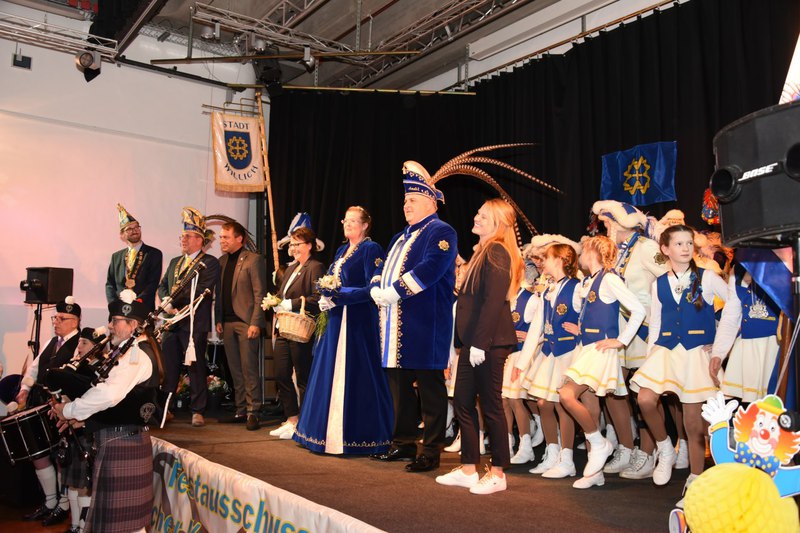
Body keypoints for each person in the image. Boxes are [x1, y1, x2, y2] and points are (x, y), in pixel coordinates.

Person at [630, 225, 741, 506]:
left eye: (689, 243)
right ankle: (665, 447)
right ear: (665, 249)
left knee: (693, 422)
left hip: (695, 354)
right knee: (645, 399)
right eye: (678, 243)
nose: (685, 248)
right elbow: (656, 322)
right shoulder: (658, 284)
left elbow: (735, 306)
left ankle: (696, 477)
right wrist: (652, 355)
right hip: (666, 351)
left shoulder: (708, 277)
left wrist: (719, 343)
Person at [370, 161, 457, 473]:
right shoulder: (399, 236)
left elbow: (431, 269)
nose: (406, 205)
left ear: (430, 203)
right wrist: (375, 286)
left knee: (430, 389)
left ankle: (431, 450)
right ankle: (404, 442)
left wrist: (394, 292)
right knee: (400, 387)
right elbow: (382, 267)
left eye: (413, 200)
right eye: (405, 200)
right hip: (396, 325)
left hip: (426, 324)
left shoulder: (441, 231)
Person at [52, 291, 161, 533]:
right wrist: (84, 419)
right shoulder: (128, 353)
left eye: (115, 321)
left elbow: (108, 395)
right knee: (124, 526)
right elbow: (118, 403)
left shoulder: (136, 355)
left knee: (128, 527)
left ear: (133, 325)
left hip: (124, 441)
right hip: (119, 438)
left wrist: (69, 410)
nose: (110, 326)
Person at [435, 198, 522, 494]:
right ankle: (469, 469)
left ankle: (498, 473)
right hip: (474, 341)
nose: (476, 217)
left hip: (489, 342)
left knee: (491, 405)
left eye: (483, 215)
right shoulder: (483, 251)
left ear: (497, 223)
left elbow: (493, 301)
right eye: (478, 212)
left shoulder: (497, 250)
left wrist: (481, 344)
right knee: (462, 401)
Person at [293, 206, 394, 454]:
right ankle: (323, 434)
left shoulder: (371, 249)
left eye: (353, 221)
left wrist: (340, 297)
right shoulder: (341, 250)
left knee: (357, 373)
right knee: (328, 370)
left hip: (358, 320)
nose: (347, 224)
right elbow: (329, 280)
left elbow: (373, 287)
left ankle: (356, 436)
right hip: (337, 318)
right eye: (345, 220)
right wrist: (325, 295)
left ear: (365, 225)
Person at [558, 235, 645, 489]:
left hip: (600, 351)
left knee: (566, 395)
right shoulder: (590, 281)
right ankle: (595, 473)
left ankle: (599, 443)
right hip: (587, 348)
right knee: (591, 410)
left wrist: (621, 340)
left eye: (583, 251)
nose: (580, 256)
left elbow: (638, 310)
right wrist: (581, 329)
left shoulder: (609, 279)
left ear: (593, 252)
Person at [591, 200, 669, 479]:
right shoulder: (614, 252)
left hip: (646, 330)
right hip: (620, 330)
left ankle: (648, 452)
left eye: (607, 223)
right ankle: (626, 447)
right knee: (612, 388)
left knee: (643, 392)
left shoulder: (646, 247)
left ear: (621, 223)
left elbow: (670, 281)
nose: (605, 228)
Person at [16, 296, 82, 526]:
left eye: (62, 318)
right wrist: (24, 389)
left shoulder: (80, 344)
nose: (56, 322)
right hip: (41, 404)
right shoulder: (50, 342)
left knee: (62, 456)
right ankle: (50, 501)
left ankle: (63, 505)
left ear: (75, 321)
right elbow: (34, 368)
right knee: (39, 454)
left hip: (63, 408)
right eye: (55, 318)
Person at [518, 242, 582, 478]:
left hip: (568, 352)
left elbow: (591, 314)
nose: (542, 262)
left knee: (562, 405)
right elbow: (536, 328)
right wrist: (521, 363)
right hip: (549, 352)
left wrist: (581, 330)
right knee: (543, 403)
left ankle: (567, 459)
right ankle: (552, 452)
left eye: (547, 257)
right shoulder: (548, 290)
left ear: (560, 260)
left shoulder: (577, 287)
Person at [158, 207, 220, 428]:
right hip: (172, 322)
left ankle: (197, 410)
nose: (183, 240)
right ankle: (166, 407)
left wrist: (174, 303)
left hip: (194, 323)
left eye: (188, 236)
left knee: (195, 367)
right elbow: (163, 285)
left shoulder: (210, 262)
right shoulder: (175, 261)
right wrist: (166, 302)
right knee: (169, 366)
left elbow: (202, 290)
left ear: (199, 240)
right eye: (182, 236)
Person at [266, 226, 325, 440]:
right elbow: (282, 295)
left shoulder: (315, 267)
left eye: (297, 244)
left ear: (309, 245)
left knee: (303, 377)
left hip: (301, 329)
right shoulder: (290, 269)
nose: (293, 248)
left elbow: (317, 298)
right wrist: (275, 302)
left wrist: (290, 304)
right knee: (281, 374)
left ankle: (307, 423)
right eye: (291, 244)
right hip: (284, 328)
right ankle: (292, 419)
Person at [215, 220, 267, 431]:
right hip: (227, 323)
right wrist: (218, 319)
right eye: (221, 237)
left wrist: (256, 322)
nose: (222, 241)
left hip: (246, 323)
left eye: (226, 237)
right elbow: (219, 294)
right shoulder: (221, 261)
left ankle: (254, 411)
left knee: (249, 368)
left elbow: (260, 294)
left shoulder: (253, 260)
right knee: (235, 369)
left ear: (239, 239)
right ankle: (241, 409)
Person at [60, 326, 107, 533]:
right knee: (73, 483)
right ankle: (74, 525)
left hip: (88, 431)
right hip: (73, 430)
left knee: (84, 484)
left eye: (85, 343)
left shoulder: (102, 369)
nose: (79, 347)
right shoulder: (76, 366)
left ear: (97, 347)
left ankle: (82, 527)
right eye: (79, 342)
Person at [719, 264, 781, 402]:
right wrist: (718, 353)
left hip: (774, 345)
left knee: (775, 402)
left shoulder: (781, 265)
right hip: (747, 346)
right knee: (751, 405)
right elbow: (731, 316)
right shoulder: (737, 270)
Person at [105, 204, 163, 312]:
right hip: (119, 310)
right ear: (122, 235)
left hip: (142, 309)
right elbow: (110, 284)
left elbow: (153, 283)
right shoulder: (116, 257)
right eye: (129, 229)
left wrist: (137, 302)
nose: (134, 231)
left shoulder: (154, 254)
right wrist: (114, 304)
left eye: (137, 227)